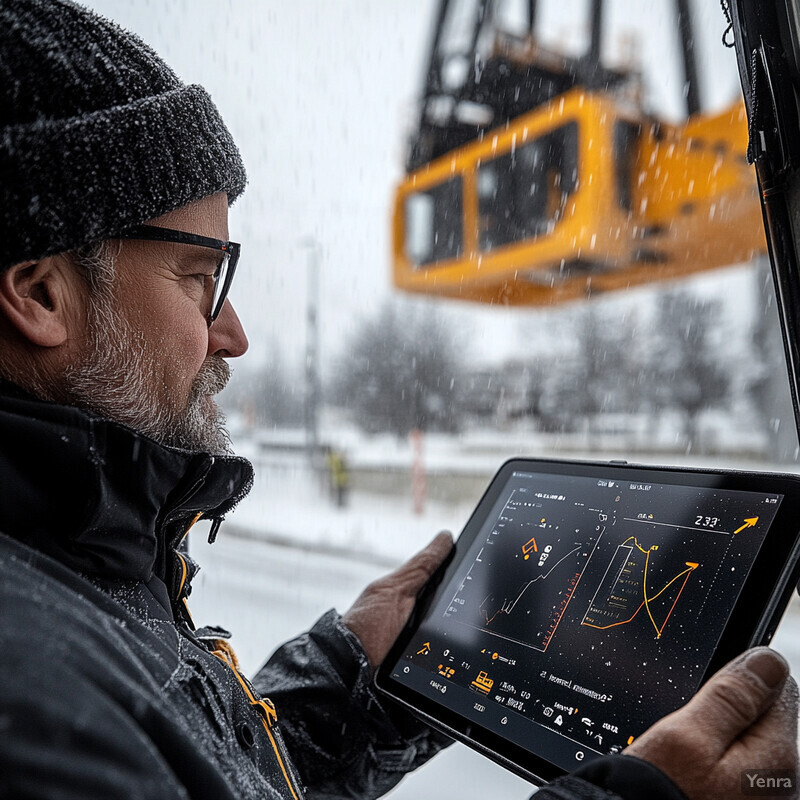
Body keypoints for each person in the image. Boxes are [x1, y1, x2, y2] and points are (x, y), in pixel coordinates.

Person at [0, 2, 795, 799]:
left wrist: (352, 680)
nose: (232, 334)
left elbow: (199, 775)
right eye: (200, 281)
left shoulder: (69, 565)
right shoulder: (31, 686)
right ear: (41, 294)